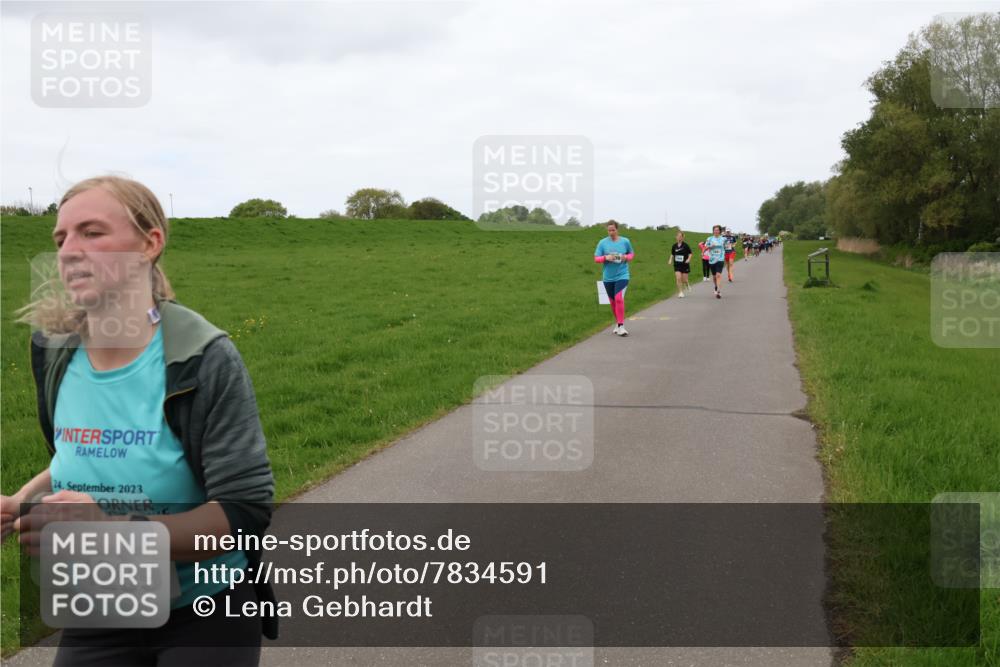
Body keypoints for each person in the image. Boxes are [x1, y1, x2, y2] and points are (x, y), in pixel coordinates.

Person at [3, 176, 276, 666]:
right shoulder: (53, 352)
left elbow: (243, 514)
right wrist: (21, 501)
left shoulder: (203, 357)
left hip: (205, 606)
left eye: (92, 232)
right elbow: (77, 451)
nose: (69, 251)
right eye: (61, 239)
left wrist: (112, 530)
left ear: (150, 244)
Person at [594, 220, 634, 336]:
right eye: (609, 230)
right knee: (612, 302)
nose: (611, 232)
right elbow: (596, 258)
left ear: (617, 230)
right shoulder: (602, 243)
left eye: (613, 230)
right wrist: (606, 257)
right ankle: (618, 322)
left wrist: (625, 257)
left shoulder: (625, 241)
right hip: (608, 278)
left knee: (618, 298)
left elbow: (631, 254)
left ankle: (621, 326)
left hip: (622, 275)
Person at [705, 225, 726, 299]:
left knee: (718, 275)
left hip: (720, 259)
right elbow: (705, 248)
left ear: (720, 231)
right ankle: (716, 286)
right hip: (712, 260)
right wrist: (711, 246)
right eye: (715, 230)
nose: (716, 231)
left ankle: (719, 292)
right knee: (714, 277)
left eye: (717, 230)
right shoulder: (709, 239)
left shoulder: (723, 239)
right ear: (713, 231)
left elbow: (728, 247)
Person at [670, 231, 692, 298]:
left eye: (680, 236)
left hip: (685, 264)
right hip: (677, 265)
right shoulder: (674, 246)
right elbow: (672, 254)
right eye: (678, 236)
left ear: (683, 237)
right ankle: (680, 292)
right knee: (678, 278)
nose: (679, 238)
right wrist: (670, 260)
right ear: (676, 237)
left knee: (684, 280)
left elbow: (690, 253)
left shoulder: (686, 245)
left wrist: (688, 259)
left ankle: (687, 283)